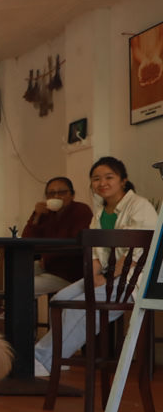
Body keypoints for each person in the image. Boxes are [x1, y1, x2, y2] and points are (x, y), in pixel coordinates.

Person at [33, 157, 158, 375]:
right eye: (96, 179)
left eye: (109, 177)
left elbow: (137, 252)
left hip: (136, 278)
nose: (102, 183)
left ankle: (43, 360)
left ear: (123, 181)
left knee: (82, 306)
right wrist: (95, 275)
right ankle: (61, 357)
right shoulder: (99, 212)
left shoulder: (140, 206)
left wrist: (107, 278)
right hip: (112, 276)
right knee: (59, 300)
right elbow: (94, 252)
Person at [22, 176, 93, 295]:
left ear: (72, 195)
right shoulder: (45, 213)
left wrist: (47, 257)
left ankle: (18, 313)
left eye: (62, 192)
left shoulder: (81, 210)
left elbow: (77, 244)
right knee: (17, 272)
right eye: (51, 193)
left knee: (26, 285)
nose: (56, 197)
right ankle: (13, 311)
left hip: (69, 274)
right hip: (49, 267)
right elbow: (26, 240)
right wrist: (36, 216)